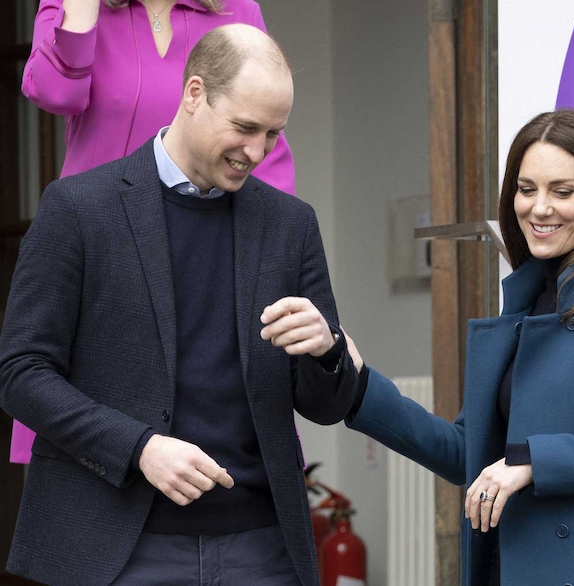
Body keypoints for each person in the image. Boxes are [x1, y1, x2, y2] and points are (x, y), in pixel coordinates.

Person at [0, 25, 357, 586]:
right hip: (114, 545)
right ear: (194, 94)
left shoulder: (292, 223)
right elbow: (21, 374)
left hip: (263, 548)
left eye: (272, 134)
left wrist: (329, 351)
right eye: (244, 128)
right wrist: (139, 448)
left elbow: (324, 405)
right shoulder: (77, 208)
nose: (257, 152)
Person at [343, 109, 574, 585]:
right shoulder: (524, 302)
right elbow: (469, 451)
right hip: (510, 565)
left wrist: (537, 463)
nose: (539, 208)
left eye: (562, 191)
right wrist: (360, 385)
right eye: (526, 189)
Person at [11, 0, 297, 466]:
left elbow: (265, 146)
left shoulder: (235, 8)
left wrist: (275, 264)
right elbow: (55, 93)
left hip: (201, 259)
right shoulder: (74, 7)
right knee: (83, 449)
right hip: (97, 260)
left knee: (207, 445)